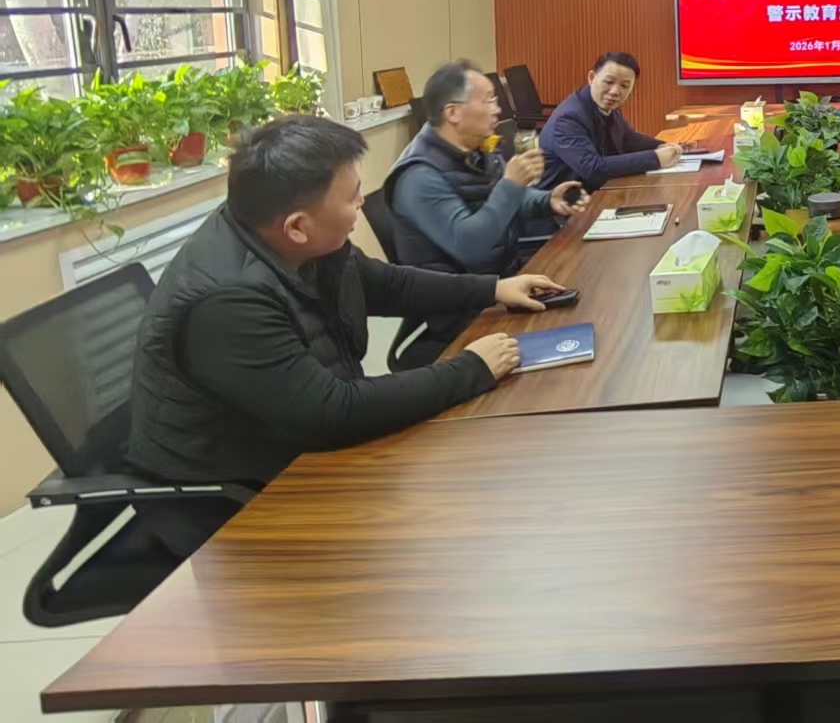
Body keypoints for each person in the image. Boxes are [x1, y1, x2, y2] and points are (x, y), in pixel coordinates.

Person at [127, 116, 561, 559]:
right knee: (451, 528)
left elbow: (387, 284)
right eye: (352, 197)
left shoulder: (289, 238)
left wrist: (493, 289)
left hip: (290, 443)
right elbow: (333, 411)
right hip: (234, 501)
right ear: (298, 226)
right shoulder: (228, 303)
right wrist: (471, 368)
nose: (362, 205)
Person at [385, 61, 588, 277]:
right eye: (488, 101)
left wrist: (547, 200)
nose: (497, 110)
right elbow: (471, 248)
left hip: (501, 276)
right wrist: (511, 184)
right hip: (461, 294)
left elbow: (503, 202)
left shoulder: (476, 148)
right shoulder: (418, 177)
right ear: (453, 112)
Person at [538, 51, 682, 190]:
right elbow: (593, 169)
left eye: (624, 86)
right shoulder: (568, 119)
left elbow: (626, 138)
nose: (615, 91)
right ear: (591, 78)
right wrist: (655, 158)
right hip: (561, 201)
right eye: (608, 82)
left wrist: (663, 146)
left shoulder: (605, 105)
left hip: (593, 192)